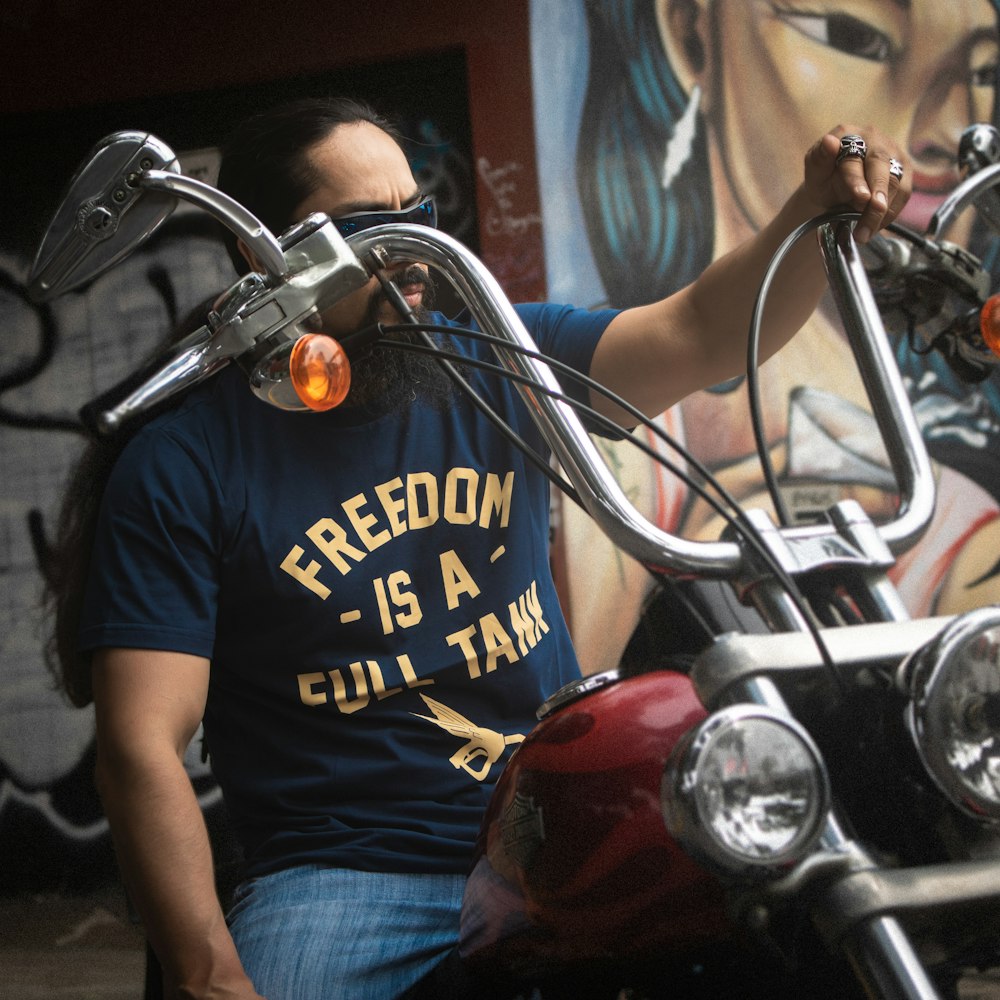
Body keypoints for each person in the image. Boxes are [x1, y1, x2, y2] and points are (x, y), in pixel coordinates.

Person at [46, 95, 907, 998]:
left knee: (794, 937)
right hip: (350, 873)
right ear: (260, 256)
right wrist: (210, 976)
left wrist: (811, 213)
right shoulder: (185, 460)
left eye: (416, 217)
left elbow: (697, 332)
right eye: (365, 228)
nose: (410, 254)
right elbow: (141, 746)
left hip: (551, 825)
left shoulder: (494, 358)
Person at [558, 0, 1000, 674]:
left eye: (985, 70)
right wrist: (844, 160)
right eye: (856, 37)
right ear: (688, 35)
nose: (943, 128)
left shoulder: (963, 528)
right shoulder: (619, 456)